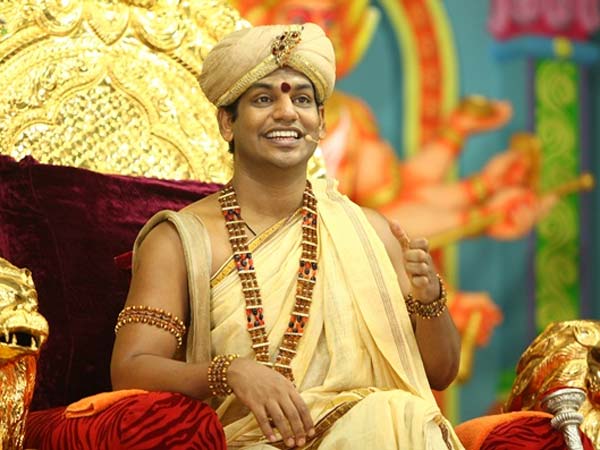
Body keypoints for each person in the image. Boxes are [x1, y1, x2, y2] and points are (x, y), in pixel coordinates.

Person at [110, 23, 463, 449]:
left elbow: (441, 372)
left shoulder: (371, 233)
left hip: (377, 432)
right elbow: (131, 367)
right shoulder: (180, 240)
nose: (286, 113)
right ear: (227, 122)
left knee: (401, 414)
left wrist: (430, 301)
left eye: (301, 99)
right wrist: (231, 372)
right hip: (250, 441)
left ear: (321, 122)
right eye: (263, 99)